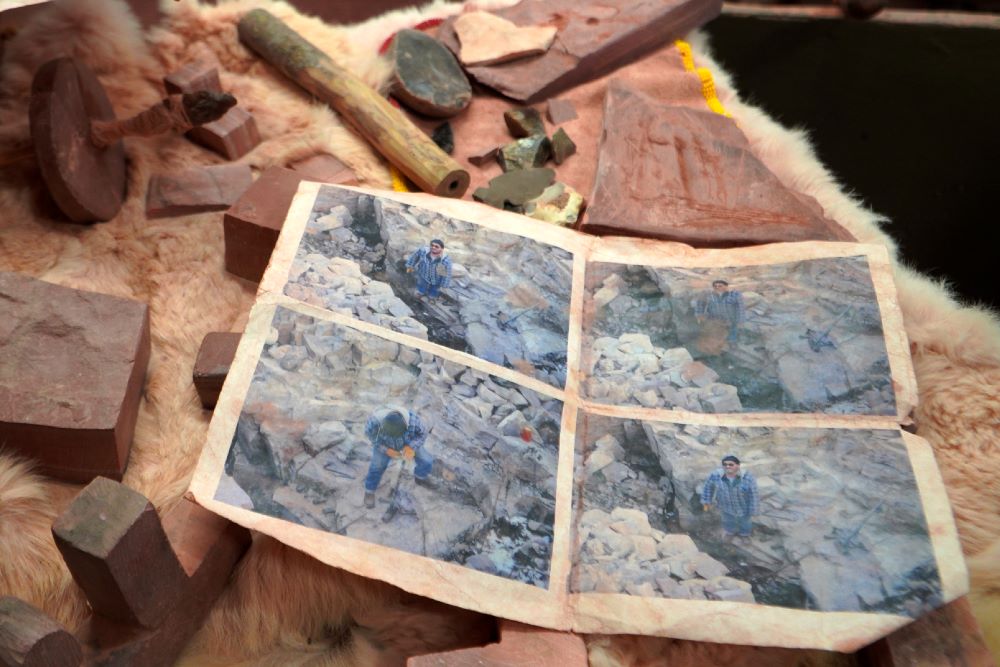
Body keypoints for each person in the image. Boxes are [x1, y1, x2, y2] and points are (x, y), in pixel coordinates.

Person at [363, 407, 436, 509]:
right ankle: (369, 491)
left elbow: (422, 434)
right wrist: (385, 450)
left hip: (408, 442)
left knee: (426, 460)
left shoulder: (413, 421)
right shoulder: (374, 421)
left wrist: (411, 447)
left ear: (406, 427)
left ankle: (420, 478)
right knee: (376, 466)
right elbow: (370, 435)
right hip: (385, 444)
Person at [701, 455, 759, 544]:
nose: (727, 466)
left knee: (745, 522)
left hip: (743, 506)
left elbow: (753, 494)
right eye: (725, 464)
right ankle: (730, 533)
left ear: (738, 465)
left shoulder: (747, 477)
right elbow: (708, 487)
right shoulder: (716, 475)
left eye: (731, 464)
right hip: (725, 505)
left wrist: (753, 509)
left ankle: (744, 534)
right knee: (727, 520)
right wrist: (706, 501)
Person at [694, 279, 745, 355]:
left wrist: (741, 321)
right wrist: (699, 314)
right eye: (715, 286)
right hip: (715, 321)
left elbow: (740, 308)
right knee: (716, 338)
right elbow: (700, 303)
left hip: (730, 320)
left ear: (726, 286)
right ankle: (716, 352)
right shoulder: (709, 295)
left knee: (732, 335)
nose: (717, 287)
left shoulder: (734, 294)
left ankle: (732, 347)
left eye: (720, 286)